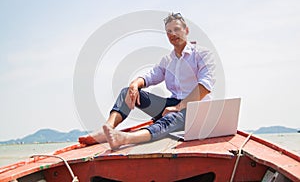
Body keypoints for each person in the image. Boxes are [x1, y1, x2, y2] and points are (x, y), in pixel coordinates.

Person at [78, 12, 215, 150]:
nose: (173, 33)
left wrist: (179, 107)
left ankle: (124, 138)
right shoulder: (167, 60)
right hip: (172, 103)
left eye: (177, 29)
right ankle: (107, 128)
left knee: (172, 116)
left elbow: (205, 86)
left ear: (186, 30)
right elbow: (150, 76)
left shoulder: (202, 54)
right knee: (128, 92)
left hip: (196, 107)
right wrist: (135, 84)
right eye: (169, 31)